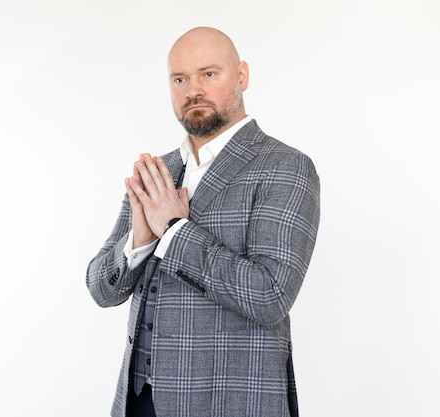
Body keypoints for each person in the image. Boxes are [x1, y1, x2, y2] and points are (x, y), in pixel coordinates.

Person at [86, 26, 320, 417]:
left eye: (208, 74)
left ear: (241, 76)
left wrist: (175, 232)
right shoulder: (158, 172)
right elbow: (101, 290)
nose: (192, 89)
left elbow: (271, 296)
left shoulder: (286, 167)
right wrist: (141, 240)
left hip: (232, 403)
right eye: (180, 79)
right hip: (139, 402)